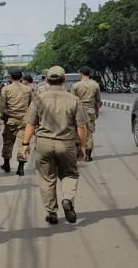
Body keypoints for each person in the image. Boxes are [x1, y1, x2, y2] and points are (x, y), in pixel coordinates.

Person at [21, 66, 88, 225]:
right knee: (70, 174)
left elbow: (30, 124)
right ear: (64, 80)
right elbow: (82, 127)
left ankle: (51, 212)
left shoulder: (38, 99)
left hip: (44, 144)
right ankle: (67, 199)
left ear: (47, 80)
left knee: (47, 178)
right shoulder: (74, 100)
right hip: (67, 143)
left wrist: (25, 144)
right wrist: (83, 147)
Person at [0, 69, 33, 176]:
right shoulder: (27, 89)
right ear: (21, 77)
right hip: (24, 121)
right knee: (23, 143)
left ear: (10, 77)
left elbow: (1, 105)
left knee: (8, 142)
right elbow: (32, 105)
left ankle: (6, 164)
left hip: (10, 120)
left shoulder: (6, 89)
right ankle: (20, 168)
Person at [71, 66, 101, 161]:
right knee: (89, 133)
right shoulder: (95, 85)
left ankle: (78, 154)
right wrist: (96, 112)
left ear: (81, 73)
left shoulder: (76, 85)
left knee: (77, 132)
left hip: (78, 112)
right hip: (90, 111)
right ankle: (88, 156)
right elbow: (98, 101)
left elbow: (72, 101)